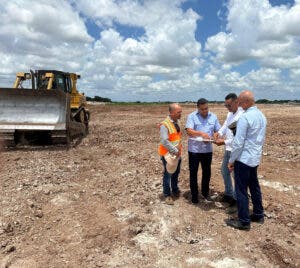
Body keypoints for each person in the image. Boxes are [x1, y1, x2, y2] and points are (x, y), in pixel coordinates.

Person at [225, 90, 267, 230]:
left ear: (246, 102)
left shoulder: (245, 117)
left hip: (243, 159)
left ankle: (243, 221)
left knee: (241, 189)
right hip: (254, 158)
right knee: (254, 186)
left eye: (241, 102)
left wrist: (231, 160)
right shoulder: (261, 115)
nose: (240, 105)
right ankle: (258, 214)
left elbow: (238, 143)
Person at [185, 98, 221, 203]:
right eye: (202, 109)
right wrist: (201, 134)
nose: (205, 111)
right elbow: (189, 131)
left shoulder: (213, 116)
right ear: (198, 108)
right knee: (193, 173)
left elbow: (217, 129)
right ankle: (194, 196)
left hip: (207, 150)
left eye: (206, 108)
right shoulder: (192, 116)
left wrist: (215, 134)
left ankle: (205, 193)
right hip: (194, 151)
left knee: (207, 172)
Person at [215, 93, 244, 207]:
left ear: (237, 102)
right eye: (226, 105)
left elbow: (239, 138)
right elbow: (226, 125)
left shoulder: (242, 116)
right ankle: (229, 194)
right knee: (224, 171)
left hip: (236, 151)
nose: (227, 108)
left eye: (229, 105)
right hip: (228, 149)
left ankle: (237, 199)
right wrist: (219, 133)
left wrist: (224, 142)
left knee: (236, 175)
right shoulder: (230, 114)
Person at [158, 103, 182, 205]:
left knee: (176, 173)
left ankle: (175, 189)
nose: (180, 114)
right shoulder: (165, 125)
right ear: (171, 113)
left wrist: (178, 152)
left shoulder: (177, 122)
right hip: (168, 155)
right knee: (168, 174)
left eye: (181, 112)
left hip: (176, 154)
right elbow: (164, 141)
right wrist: (175, 151)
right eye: (178, 112)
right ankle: (167, 194)